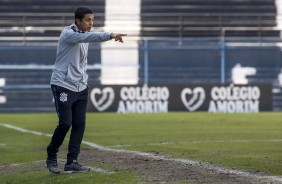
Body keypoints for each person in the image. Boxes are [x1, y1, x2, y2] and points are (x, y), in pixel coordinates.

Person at [45, 7, 126, 174]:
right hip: (63, 85)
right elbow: (91, 36)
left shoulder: (86, 33)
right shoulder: (68, 33)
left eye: (92, 20)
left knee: (79, 124)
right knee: (65, 123)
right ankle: (51, 155)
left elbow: (89, 37)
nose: (91, 23)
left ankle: (72, 162)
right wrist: (110, 35)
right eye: (88, 20)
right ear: (78, 21)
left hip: (81, 87)